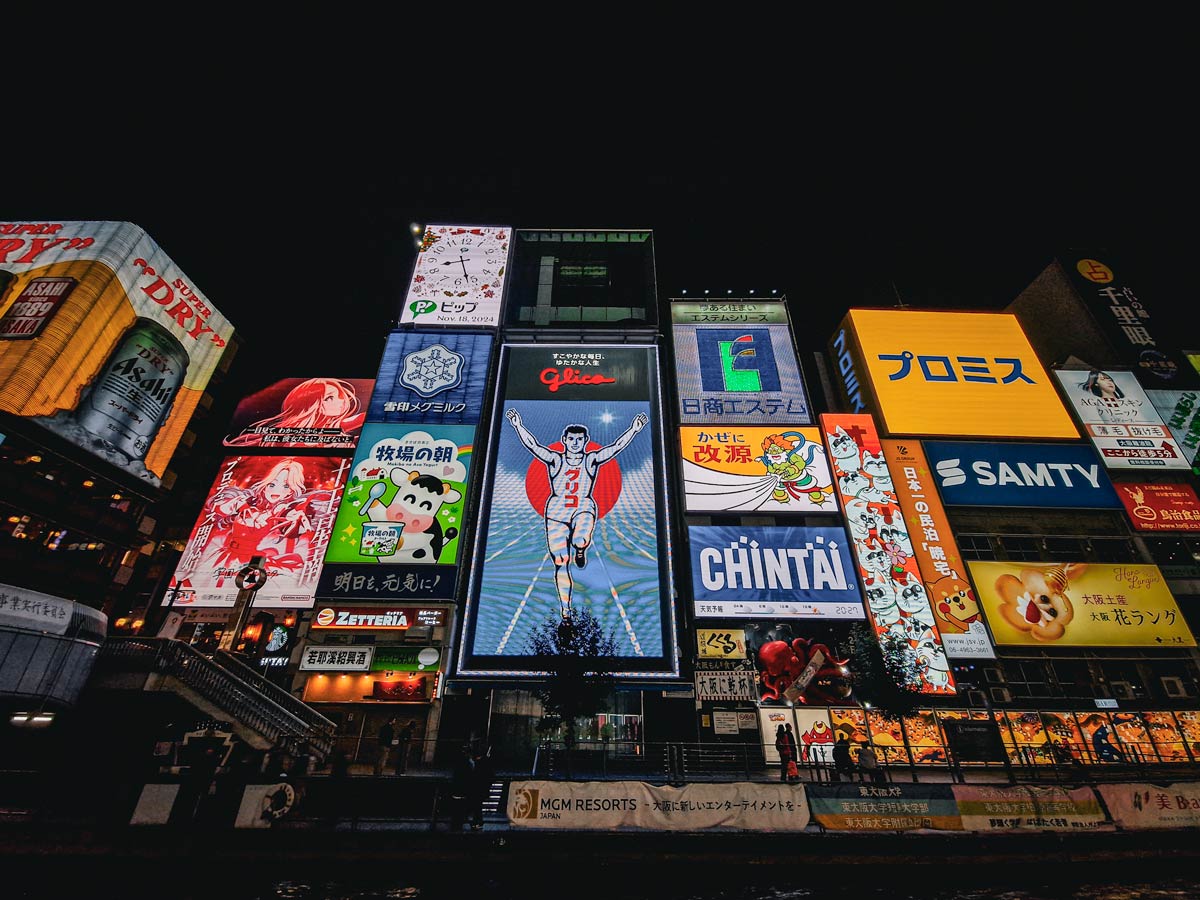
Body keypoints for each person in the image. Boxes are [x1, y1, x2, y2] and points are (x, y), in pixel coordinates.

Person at [505, 408, 648, 617]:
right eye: (571, 439)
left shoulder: (590, 460)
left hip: (583, 507)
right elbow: (533, 446)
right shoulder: (555, 460)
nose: (574, 443)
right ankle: (566, 610)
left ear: (585, 441)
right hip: (556, 513)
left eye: (579, 439)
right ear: (564, 440)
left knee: (580, 539)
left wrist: (633, 430)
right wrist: (518, 425)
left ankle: (580, 549)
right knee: (561, 562)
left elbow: (616, 447)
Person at [198, 457, 339, 586]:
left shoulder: (283, 510)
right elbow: (218, 507)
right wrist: (239, 505)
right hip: (223, 557)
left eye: (286, 486)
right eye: (272, 484)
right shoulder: (246, 500)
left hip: (251, 561)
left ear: (291, 491)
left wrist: (296, 520)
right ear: (265, 485)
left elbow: (295, 528)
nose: (276, 491)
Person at [226, 377, 365, 446]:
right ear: (311, 404)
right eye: (329, 398)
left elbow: (363, 418)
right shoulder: (291, 439)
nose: (342, 401)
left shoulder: (336, 427)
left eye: (340, 395)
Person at [449, 742, 475, 831]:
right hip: (464, 790)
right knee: (461, 809)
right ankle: (459, 825)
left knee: (456, 809)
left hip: (458, 788)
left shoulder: (458, 763)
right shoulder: (470, 763)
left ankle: (455, 826)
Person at [469, 744, 494, 830]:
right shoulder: (485, 763)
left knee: (477, 806)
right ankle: (477, 822)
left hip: (477, 787)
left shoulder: (478, 764)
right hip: (482, 787)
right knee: (477, 806)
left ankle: (477, 822)